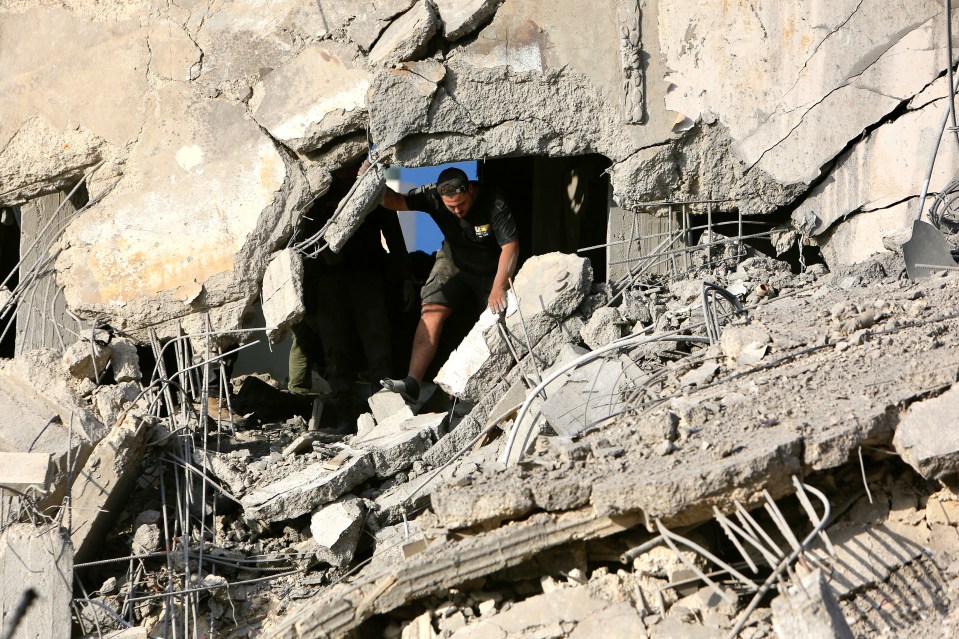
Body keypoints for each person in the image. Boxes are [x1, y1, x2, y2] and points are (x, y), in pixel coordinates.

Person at [376, 166, 520, 402]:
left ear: (470, 190)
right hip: (452, 261)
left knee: (494, 321)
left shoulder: (494, 202)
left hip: (490, 269)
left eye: (461, 204)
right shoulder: (431, 196)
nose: (457, 210)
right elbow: (393, 201)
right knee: (431, 311)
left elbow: (510, 247)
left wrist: (499, 287)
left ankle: (497, 386)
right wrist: (371, 182)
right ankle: (412, 381)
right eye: (450, 206)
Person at [289, 163, 409, 431]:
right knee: (337, 351)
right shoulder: (317, 191)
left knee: (378, 348)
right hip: (330, 281)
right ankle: (345, 415)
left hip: (368, 275)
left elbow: (394, 235)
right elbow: (302, 241)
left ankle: (384, 415)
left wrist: (403, 279)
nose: (344, 166)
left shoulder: (369, 187)